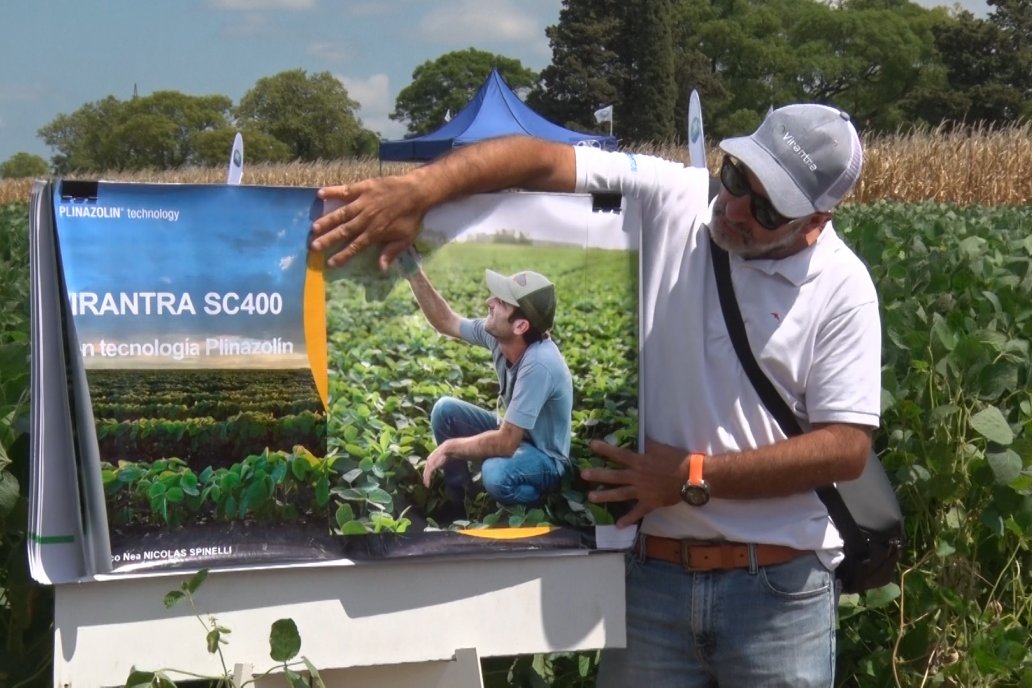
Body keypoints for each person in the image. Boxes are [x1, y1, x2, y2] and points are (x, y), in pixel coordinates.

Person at [310, 103, 880, 687]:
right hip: (650, 578)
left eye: (764, 209)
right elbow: (536, 160)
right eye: (736, 177)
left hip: (777, 594)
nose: (733, 208)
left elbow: (844, 448)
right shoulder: (674, 197)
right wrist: (418, 192)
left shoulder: (841, 287)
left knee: (500, 474)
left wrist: (691, 475)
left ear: (815, 220)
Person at [396, 253, 573, 520]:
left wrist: (449, 447)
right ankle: (459, 502)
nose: (489, 301)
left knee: (496, 473)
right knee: (445, 411)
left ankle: (538, 508)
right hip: (517, 435)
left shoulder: (540, 364)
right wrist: (412, 271)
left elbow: (506, 442)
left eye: (500, 301)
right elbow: (446, 321)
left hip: (546, 459)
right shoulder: (500, 336)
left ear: (521, 325)